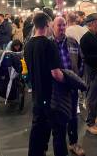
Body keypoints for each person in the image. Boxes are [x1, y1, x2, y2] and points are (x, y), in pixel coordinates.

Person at [24, 12, 64, 156]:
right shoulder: (49, 44)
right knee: (58, 129)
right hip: (51, 94)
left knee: (38, 128)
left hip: (37, 94)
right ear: (48, 24)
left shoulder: (27, 45)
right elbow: (56, 74)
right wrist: (70, 81)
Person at [52, 17, 85, 156]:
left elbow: (81, 61)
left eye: (64, 25)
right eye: (59, 25)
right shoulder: (49, 43)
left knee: (72, 115)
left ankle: (73, 143)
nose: (62, 28)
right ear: (53, 26)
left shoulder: (72, 42)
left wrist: (77, 78)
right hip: (56, 87)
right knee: (58, 118)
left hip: (71, 85)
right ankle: (60, 148)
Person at [80, 13, 97, 135]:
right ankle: (90, 123)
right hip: (93, 71)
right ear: (90, 25)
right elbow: (86, 57)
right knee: (93, 97)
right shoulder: (85, 38)